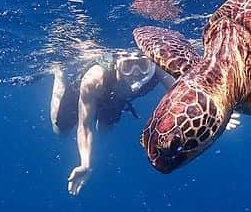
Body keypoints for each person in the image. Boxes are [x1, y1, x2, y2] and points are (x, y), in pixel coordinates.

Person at [50, 50, 171, 196]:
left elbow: (182, 91)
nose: (135, 73)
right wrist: (85, 163)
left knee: (104, 130)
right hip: (86, 94)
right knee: (60, 132)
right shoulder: (94, 79)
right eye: (128, 66)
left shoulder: (158, 69)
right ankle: (58, 73)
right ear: (117, 65)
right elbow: (85, 126)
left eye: (142, 65)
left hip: (115, 99)